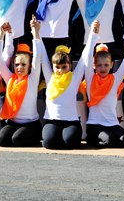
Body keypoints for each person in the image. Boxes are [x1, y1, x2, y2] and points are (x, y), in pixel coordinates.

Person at [39, 20, 98, 150]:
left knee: (71, 142)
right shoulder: (50, 77)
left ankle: (64, 136)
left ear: (70, 66)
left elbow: (85, 56)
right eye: (57, 67)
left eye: (64, 67)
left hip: (71, 121)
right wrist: (36, 33)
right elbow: (42, 56)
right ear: (53, 66)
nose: (60, 70)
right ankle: (55, 135)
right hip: (52, 120)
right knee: (49, 143)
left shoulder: (75, 77)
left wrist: (93, 34)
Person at [84, 20, 124, 148]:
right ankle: (90, 137)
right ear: (94, 66)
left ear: (112, 65)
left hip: (111, 123)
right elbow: (89, 54)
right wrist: (93, 34)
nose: (103, 68)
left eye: (106, 65)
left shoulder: (115, 78)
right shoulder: (90, 78)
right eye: (99, 65)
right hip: (95, 123)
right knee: (109, 141)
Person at [0, 18, 44, 147]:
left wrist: (35, 32)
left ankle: (36, 135)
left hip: (31, 123)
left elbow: (37, 56)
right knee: (2, 140)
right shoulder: (9, 78)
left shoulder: (33, 78)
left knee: (17, 140)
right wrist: (3, 35)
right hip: (13, 122)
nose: (20, 67)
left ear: (29, 66)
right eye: (17, 64)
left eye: (23, 64)